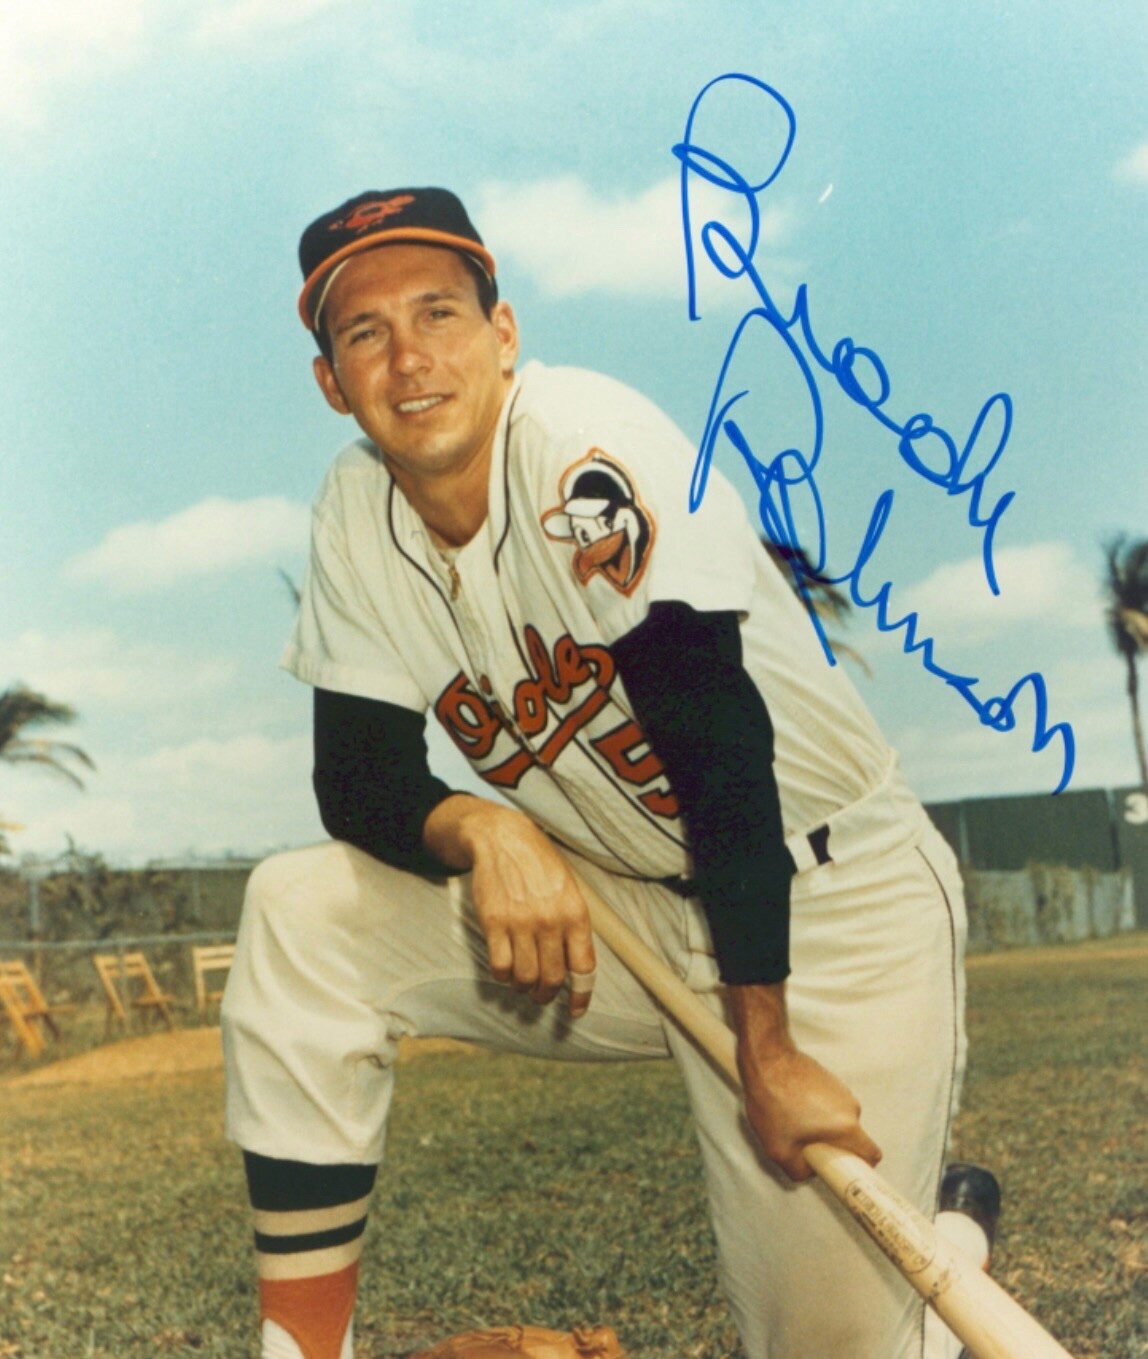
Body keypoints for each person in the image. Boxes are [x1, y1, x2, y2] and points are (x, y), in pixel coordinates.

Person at [221, 187, 995, 1359]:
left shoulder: (584, 445)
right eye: (363, 332)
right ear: (331, 379)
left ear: (503, 334)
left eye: (438, 313)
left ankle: (952, 1232)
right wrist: (484, 829)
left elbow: (719, 749)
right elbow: (361, 781)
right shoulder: (353, 513)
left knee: (831, 1346)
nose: (408, 356)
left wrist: (767, 1051)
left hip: (829, 905)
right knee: (300, 909)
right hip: (619, 916)